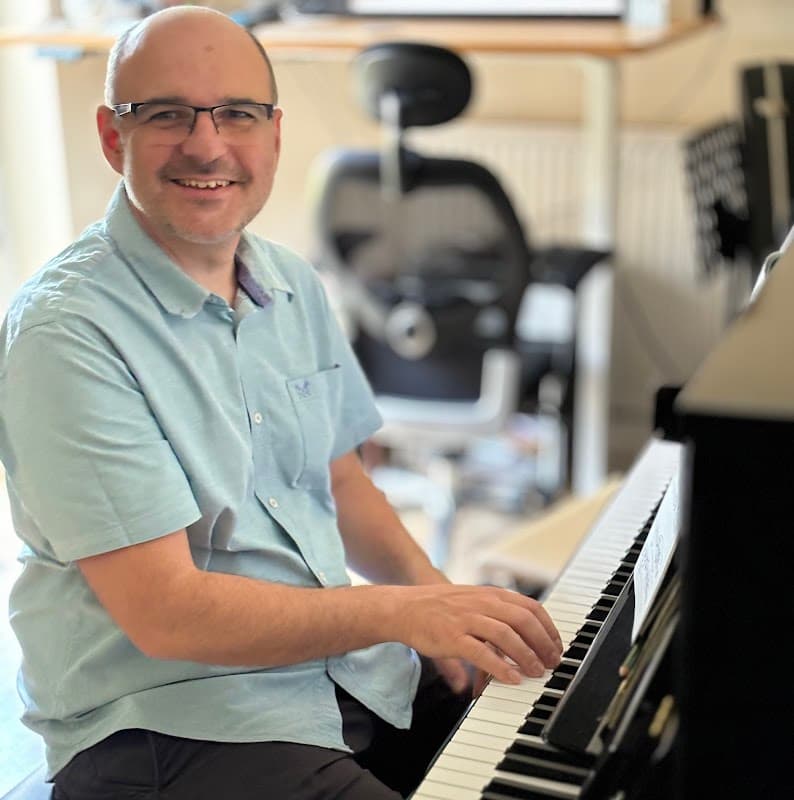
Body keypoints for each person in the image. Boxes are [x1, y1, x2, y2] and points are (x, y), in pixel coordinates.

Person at [0, 6, 562, 799]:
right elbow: (168, 615)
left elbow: (341, 481)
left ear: (273, 133)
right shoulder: (65, 334)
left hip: (328, 668)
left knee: (560, 726)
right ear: (111, 135)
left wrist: (441, 603)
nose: (207, 145)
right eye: (166, 114)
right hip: (168, 722)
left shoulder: (290, 281)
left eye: (237, 113)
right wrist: (401, 612)